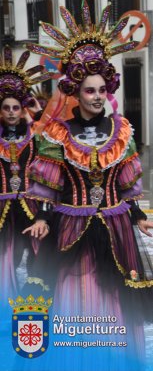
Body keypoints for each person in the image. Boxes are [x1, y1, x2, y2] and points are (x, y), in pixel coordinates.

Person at [25, 0, 153, 368]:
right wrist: (41, 217)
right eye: (89, 90)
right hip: (70, 221)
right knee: (77, 287)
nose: (97, 96)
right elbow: (48, 184)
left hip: (115, 223)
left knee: (115, 291)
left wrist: (138, 216)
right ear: (75, 91)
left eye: (102, 89)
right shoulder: (58, 133)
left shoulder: (121, 131)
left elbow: (124, 180)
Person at [0, 47, 51, 313]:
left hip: (31, 208)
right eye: (6, 107)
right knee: (4, 261)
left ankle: (35, 309)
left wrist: (36, 111)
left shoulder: (36, 136)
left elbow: (52, 133)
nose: (10, 112)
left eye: (15, 108)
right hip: (2, 212)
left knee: (38, 258)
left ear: (22, 110)